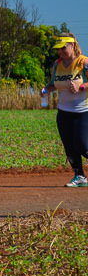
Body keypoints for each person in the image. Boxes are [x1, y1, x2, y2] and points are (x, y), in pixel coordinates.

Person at [43, 33, 88, 187]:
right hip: (64, 112)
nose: (60, 51)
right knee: (69, 146)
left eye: (63, 48)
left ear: (73, 45)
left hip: (82, 111)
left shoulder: (83, 62)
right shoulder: (57, 64)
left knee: (82, 145)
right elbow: (54, 83)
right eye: (58, 49)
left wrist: (81, 86)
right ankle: (79, 175)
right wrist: (46, 89)